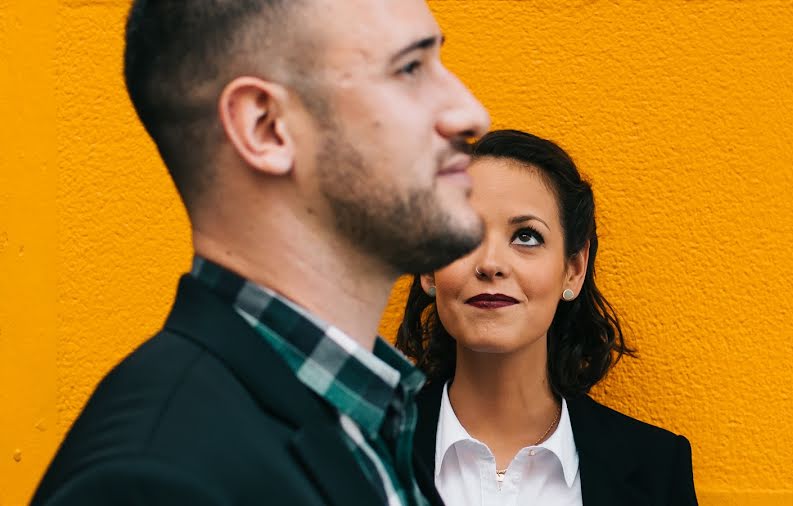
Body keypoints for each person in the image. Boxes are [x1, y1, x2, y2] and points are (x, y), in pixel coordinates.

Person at [32, 1, 490, 505]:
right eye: (409, 69)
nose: (470, 113)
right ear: (266, 126)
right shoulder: (152, 482)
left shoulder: (372, 421)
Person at [396, 130, 698, 506]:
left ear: (573, 269)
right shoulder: (358, 449)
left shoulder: (655, 466)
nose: (490, 264)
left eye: (526, 236)